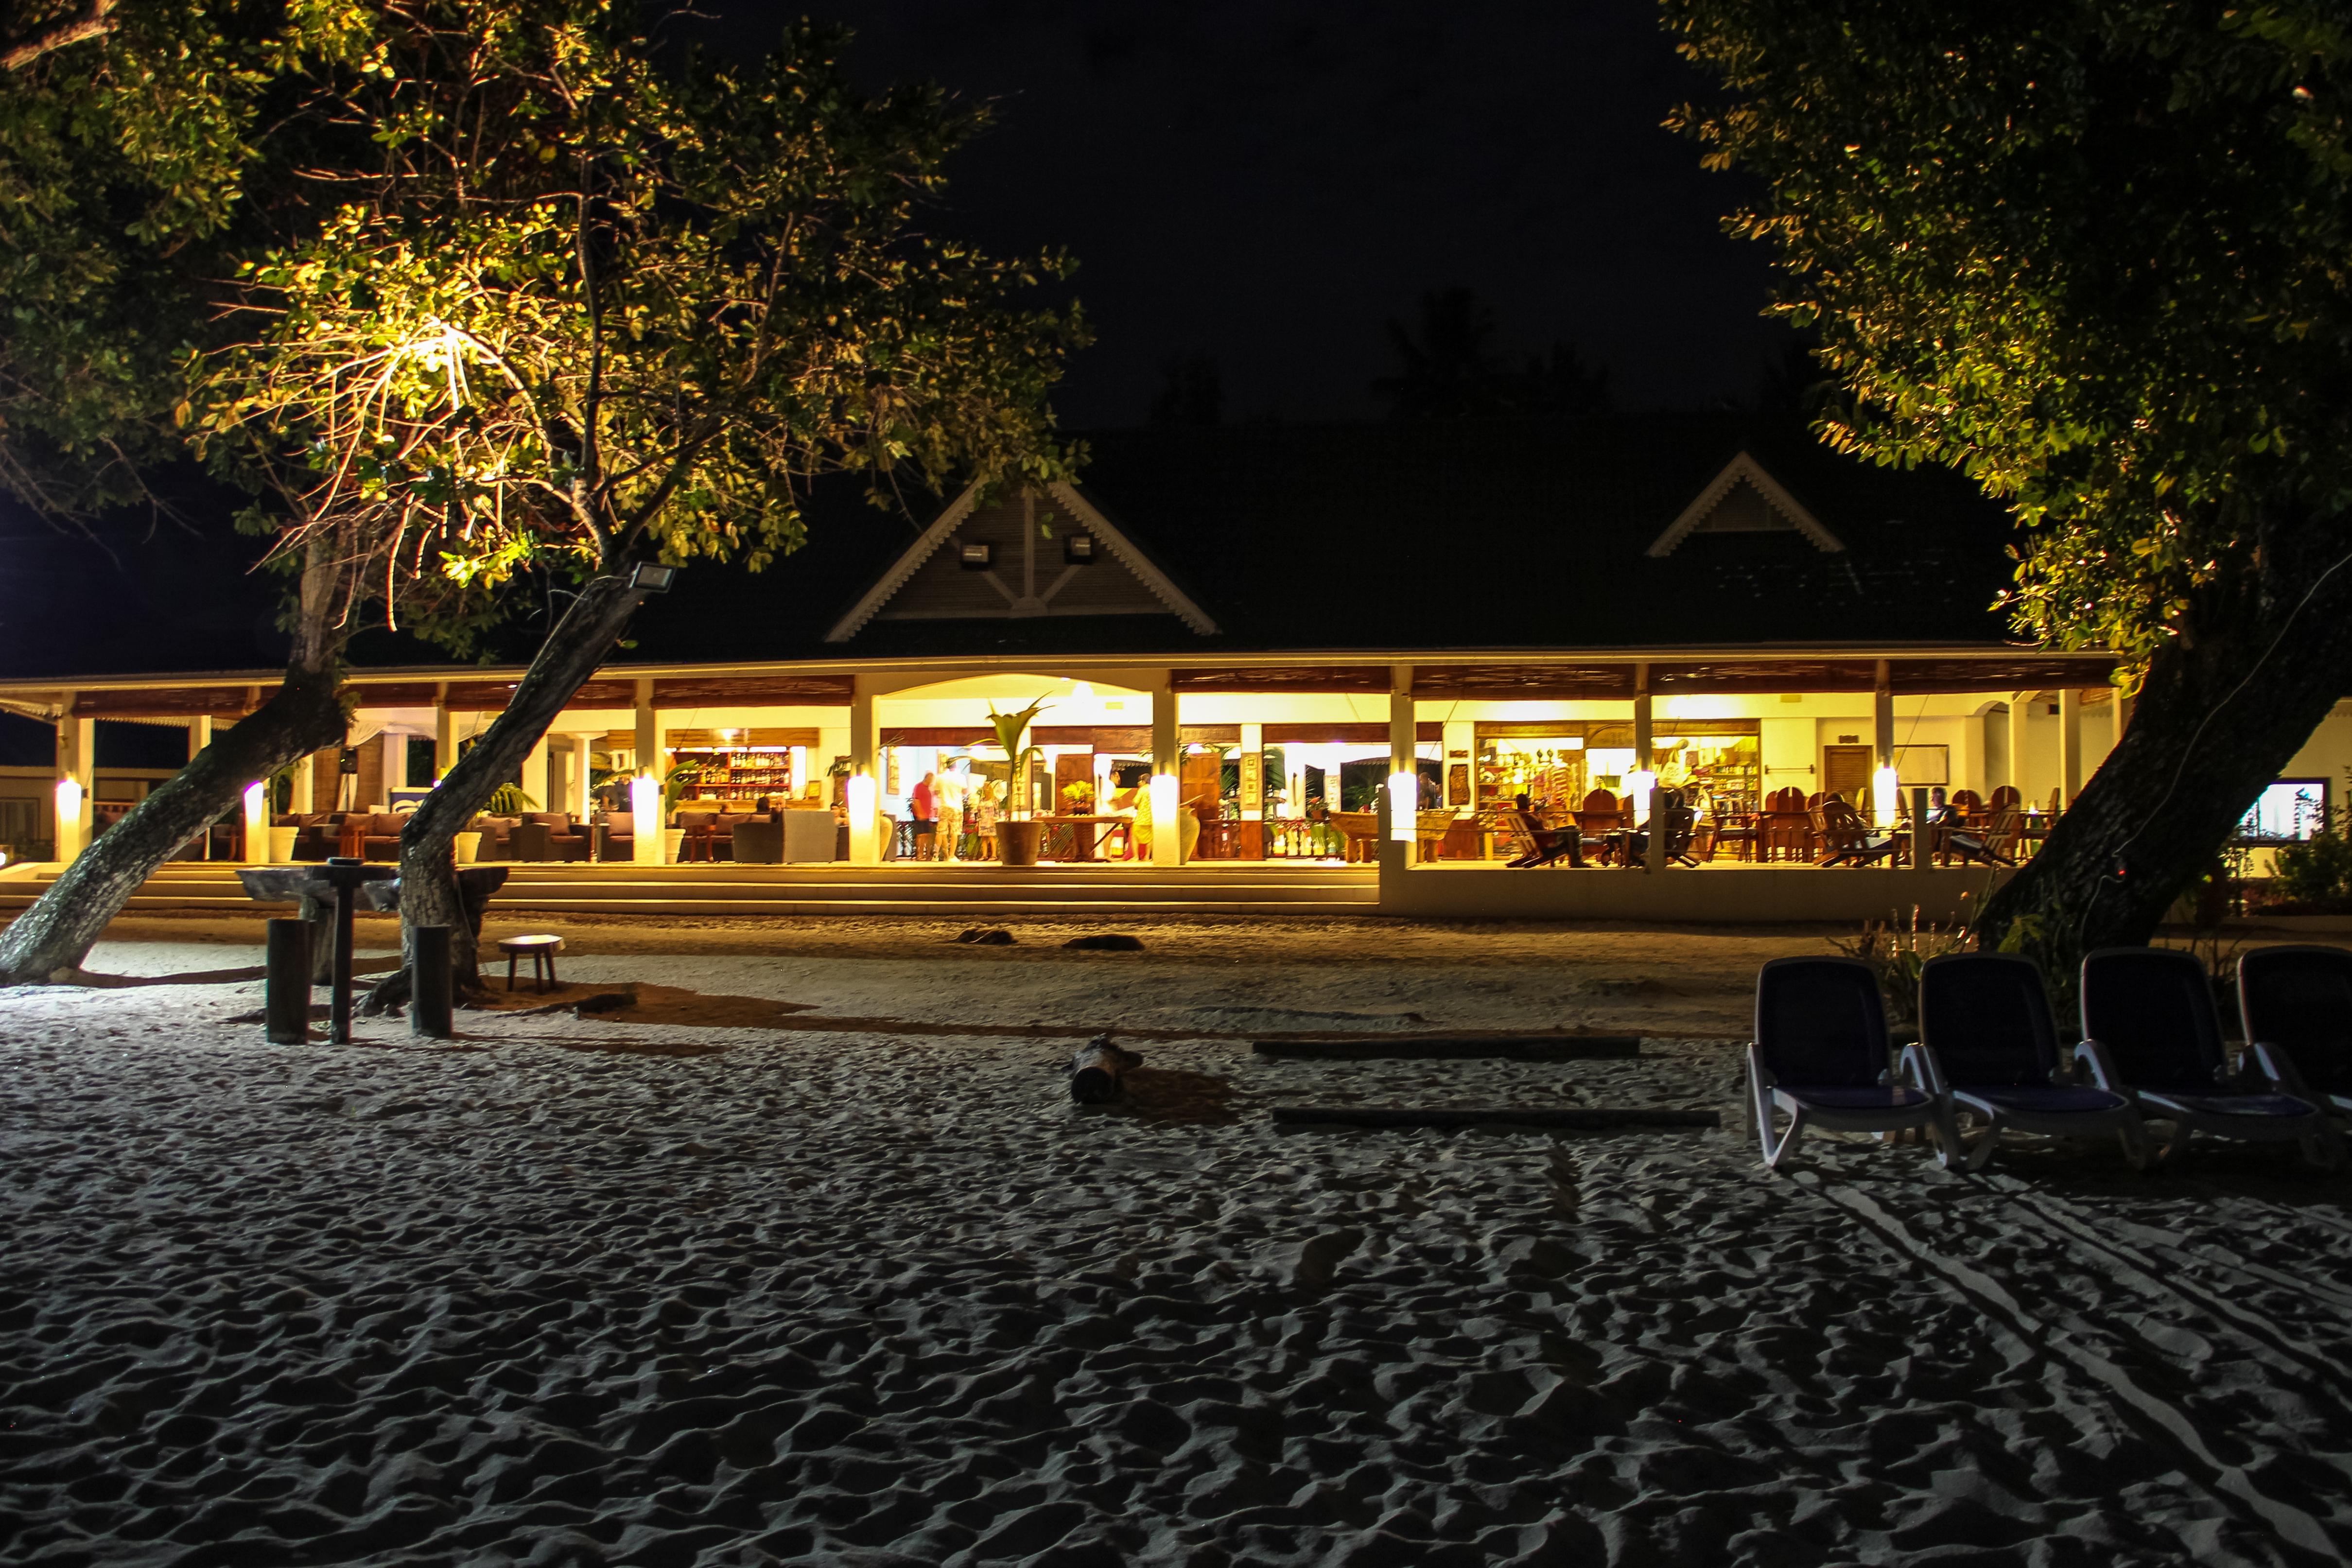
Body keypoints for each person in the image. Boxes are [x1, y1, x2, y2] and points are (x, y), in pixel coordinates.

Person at [935, 764, 966, 863]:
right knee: (955, 833)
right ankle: (952, 856)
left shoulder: (940, 777)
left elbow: (936, 792)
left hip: (944, 807)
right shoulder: (961, 777)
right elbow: (965, 791)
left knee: (940, 832)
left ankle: (935, 855)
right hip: (957, 807)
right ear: (955, 767)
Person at [971, 777, 1002, 859]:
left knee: (992, 837)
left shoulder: (994, 800)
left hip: (991, 821)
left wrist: (995, 820)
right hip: (983, 821)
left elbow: (996, 811)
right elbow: (978, 811)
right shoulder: (982, 800)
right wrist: (977, 821)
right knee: (984, 838)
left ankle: (994, 855)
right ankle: (984, 855)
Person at [910, 770, 937, 860]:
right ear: (926, 778)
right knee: (921, 835)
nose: (932, 781)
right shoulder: (919, 787)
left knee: (927, 835)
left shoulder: (929, 789)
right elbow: (916, 801)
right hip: (920, 815)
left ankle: (927, 854)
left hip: (927, 815)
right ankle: (920, 855)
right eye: (931, 779)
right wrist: (920, 813)